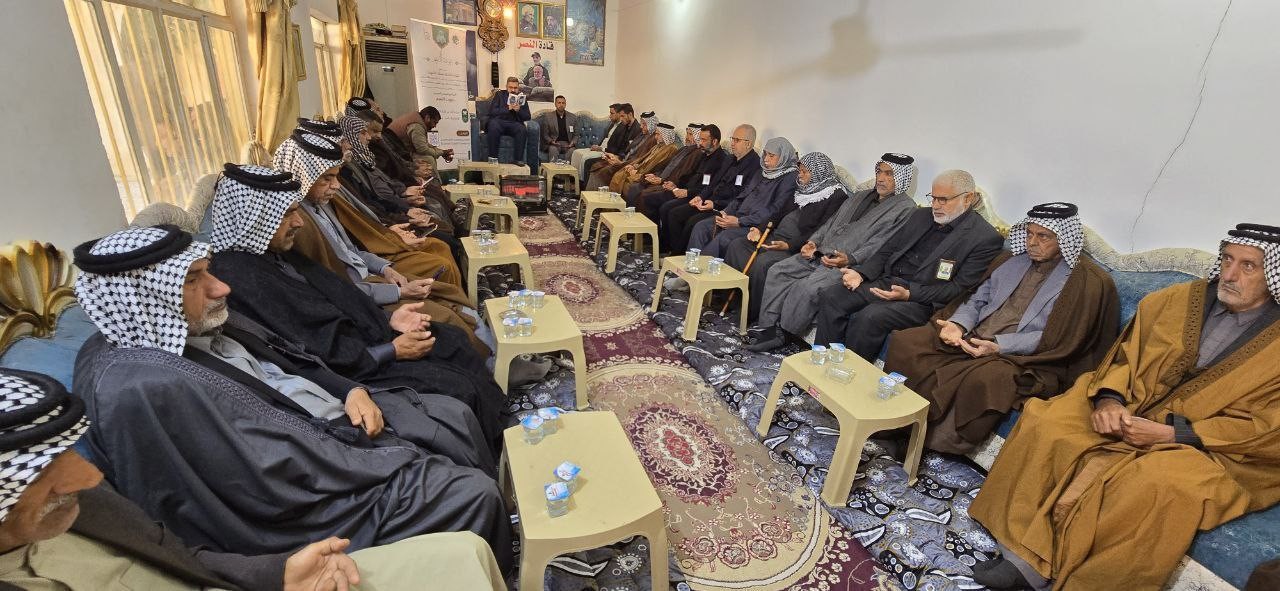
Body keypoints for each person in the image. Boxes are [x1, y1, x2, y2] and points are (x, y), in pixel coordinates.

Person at [71, 225, 512, 570]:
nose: (221, 288)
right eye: (193, 279)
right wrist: (376, 456)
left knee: (452, 415)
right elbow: (253, 480)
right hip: (311, 494)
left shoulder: (192, 327)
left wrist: (351, 389)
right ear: (148, 296)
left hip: (330, 424)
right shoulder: (142, 386)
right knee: (470, 490)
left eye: (207, 272)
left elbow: (295, 358)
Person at [968, 223, 1280, 591]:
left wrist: (1172, 434)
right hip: (1132, 403)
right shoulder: (1174, 301)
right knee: (1047, 420)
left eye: (1248, 266)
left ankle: (1085, 581)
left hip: (1218, 447)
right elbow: (1124, 358)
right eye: (1227, 260)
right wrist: (1109, 400)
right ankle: (1023, 555)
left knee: (1153, 483)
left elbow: (1266, 427)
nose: (1229, 274)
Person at [0, 368, 508, 591]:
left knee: (464, 552)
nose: (88, 474)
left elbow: (175, 554)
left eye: (64, 455)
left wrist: (274, 573)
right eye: (45, 470)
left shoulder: (85, 506)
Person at [207, 163, 503, 442]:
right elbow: (309, 350)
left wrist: (388, 320)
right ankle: (502, 442)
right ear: (256, 219)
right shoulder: (242, 277)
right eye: (287, 214)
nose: (299, 222)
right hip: (356, 367)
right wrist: (392, 350)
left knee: (451, 339)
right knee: (459, 387)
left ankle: (504, 413)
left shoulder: (271, 252)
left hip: (365, 340)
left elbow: (339, 292)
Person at [883, 203, 1120, 454]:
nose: (1032, 242)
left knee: (984, 379)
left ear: (1064, 239)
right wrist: (958, 324)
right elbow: (977, 298)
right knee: (909, 342)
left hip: (1022, 357)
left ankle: (927, 445)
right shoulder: (1010, 260)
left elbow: (1060, 338)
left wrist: (999, 347)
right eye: (1029, 233)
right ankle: (892, 421)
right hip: (973, 335)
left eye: (1043, 236)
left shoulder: (1086, 282)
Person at [813, 169, 1004, 360]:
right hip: (888, 282)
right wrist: (861, 274)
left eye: (943, 200)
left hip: (922, 301)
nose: (935, 205)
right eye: (933, 198)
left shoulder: (984, 238)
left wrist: (910, 294)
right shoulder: (920, 215)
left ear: (968, 198)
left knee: (870, 316)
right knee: (833, 296)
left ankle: (848, 371)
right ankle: (821, 362)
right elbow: (888, 249)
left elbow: (958, 289)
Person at [748, 154, 918, 349]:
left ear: (902, 178)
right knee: (778, 271)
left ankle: (783, 335)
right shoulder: (861, 196)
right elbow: (831, 222)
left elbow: (882, 243)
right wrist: (813, 242)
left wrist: (851, 258)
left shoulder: (905, 209)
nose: (880, 178)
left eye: (889, 174)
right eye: (879, 172)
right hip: (820, 253)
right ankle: (767, 327)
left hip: (847, 264)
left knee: (806, 288)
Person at [724, 151, 849, 320]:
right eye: (800, 171)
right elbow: (778, 212)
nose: (800, 175)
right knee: (737, 245)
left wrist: (789, 245)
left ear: (819, 173)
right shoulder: (802, 188)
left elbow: (821, 230)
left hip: (796, 246)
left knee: (763, 262)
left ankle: (751, 313)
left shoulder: (836, 196)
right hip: (775, 236)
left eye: (805, 172)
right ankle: (732, 300)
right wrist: (759, 229)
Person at [686, 136, 798, 257]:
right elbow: (742, 195)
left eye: (771, 156)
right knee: (701, 226)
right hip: (737, 216)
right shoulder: (762, 172)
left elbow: (775, 210)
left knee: (724, 238)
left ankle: (704, 268)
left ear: (783, 157)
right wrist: (726, 212)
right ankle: (691, 264)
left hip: (755, 225)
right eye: (765, 154)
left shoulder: (790, 178)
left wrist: (740, 222)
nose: (765, 159)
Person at [658, 124, 761, 254]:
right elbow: (713, 183)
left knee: (693, 222)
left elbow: (741, 196)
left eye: (737, 140)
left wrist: (715, 204)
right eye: (732, 139)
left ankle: (680, 256)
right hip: (709, 200)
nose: (732, 143)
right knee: (675, 213)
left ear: (748, 144)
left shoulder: (755, 165)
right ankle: (673, 251)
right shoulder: (730, 159)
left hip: (725, 208)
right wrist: (700, 196)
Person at [645, 123, 729, 223]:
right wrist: (675, 185)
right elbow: (690, 174)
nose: (700, 143)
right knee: (650, 198)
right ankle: (653, 231)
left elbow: (710, 187)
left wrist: (687, 192)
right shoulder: (704, 154)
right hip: (684, 190)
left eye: (703, 140)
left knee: (669, 210)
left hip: (697, 196)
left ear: (714, 141)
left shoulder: (721, 160)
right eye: (700, 139)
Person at [624, 123, 705, 213]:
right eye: (687, 133)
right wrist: (655, 175)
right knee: (635, 186)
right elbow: (665, 165)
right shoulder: (684, 149)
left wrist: (662, 180)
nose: (687, 137)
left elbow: (684, 174)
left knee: (643, 193)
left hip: (672, 184)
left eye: (690, 134)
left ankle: (640, 220)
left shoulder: (697, 153)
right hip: (663, 179)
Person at [586, 110, 659, 189]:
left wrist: (620, 162)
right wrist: (616, 157)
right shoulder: (642, 134)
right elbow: (628, 150)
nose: (641, 126)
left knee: (602, 172)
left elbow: (641, 159)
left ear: (651, 125)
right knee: (596, 166)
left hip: (629, 164)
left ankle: (599, 195)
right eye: (641, 123)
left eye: (644, 124)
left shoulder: (653, 140)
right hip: (624, 159)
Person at [608, 122, 681, 192]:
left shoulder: (671, 148)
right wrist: (634, 166)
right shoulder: (658, 146)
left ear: (666, 135)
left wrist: (638, 172)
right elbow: (644, 159)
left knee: (623, 178)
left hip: (647, 173)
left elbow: (657, 166)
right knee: (620, 174)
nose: (655, 137)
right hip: (641, 169)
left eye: (658, 134)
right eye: (656, 134)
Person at [387, 105, 455, 181]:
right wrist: (442, 153)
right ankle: (435, 183)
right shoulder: (417, 126)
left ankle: (434, 183)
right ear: (427, 117)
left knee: (429, 157)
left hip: (398, 151)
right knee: (428, 159)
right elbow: (422, 149)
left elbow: (424, 144)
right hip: (394, 155)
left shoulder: (417, 120)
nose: (434, 126)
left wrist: (442, 152)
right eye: (434, 122)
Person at [579, 104, 639, 183]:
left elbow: (631, 151)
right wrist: (610, 155)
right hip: (615, 155)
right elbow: (617, 144)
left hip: (623, 160)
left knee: (592, 164)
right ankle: (585, 188)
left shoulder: (637, 129)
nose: (621, 119)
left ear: (630, 114)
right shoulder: (624, 126)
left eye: (623, 116)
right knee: (589, 162)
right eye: (620, 116)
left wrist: (618, 157)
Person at [485, 77, 532, 165]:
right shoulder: (499, 95)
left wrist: (519, 110)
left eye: (515, 88)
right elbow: (492, 111)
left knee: (522, 129)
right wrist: (508, 108)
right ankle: (493, 158)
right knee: (493, 124)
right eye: (511, 87)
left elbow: (528, 117)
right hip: (499, 122)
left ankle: (518, 159)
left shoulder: (521, 98)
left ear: (518, 88)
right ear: (506, 87)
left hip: (514, 124)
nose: (513, 90)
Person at [571, 103, 623, 179]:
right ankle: (574, 179)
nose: (610, 116)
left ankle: (582, 182)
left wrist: (601, 149)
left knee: (585, 158)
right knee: (576, 152)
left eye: (612, 113)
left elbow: (615, 147)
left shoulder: (622, 127)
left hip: (606, 152)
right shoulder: (612, 124)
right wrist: (598, 146)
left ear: (619, 114)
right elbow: (605, 138)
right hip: (601, 148)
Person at [537, 95, 579, 162]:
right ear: (555, 104)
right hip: (554, 144)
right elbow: (545, 134)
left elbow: (576, 135)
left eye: (563, 103)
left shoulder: (573, 117)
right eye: (559, 103)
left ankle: (567, 168)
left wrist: (572, 143)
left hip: (568, 144)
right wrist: (552, 141)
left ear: (565, 104)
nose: (561, 105)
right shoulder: (548, 117)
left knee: (572, 151)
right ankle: (553, 168)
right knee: (553, 149)